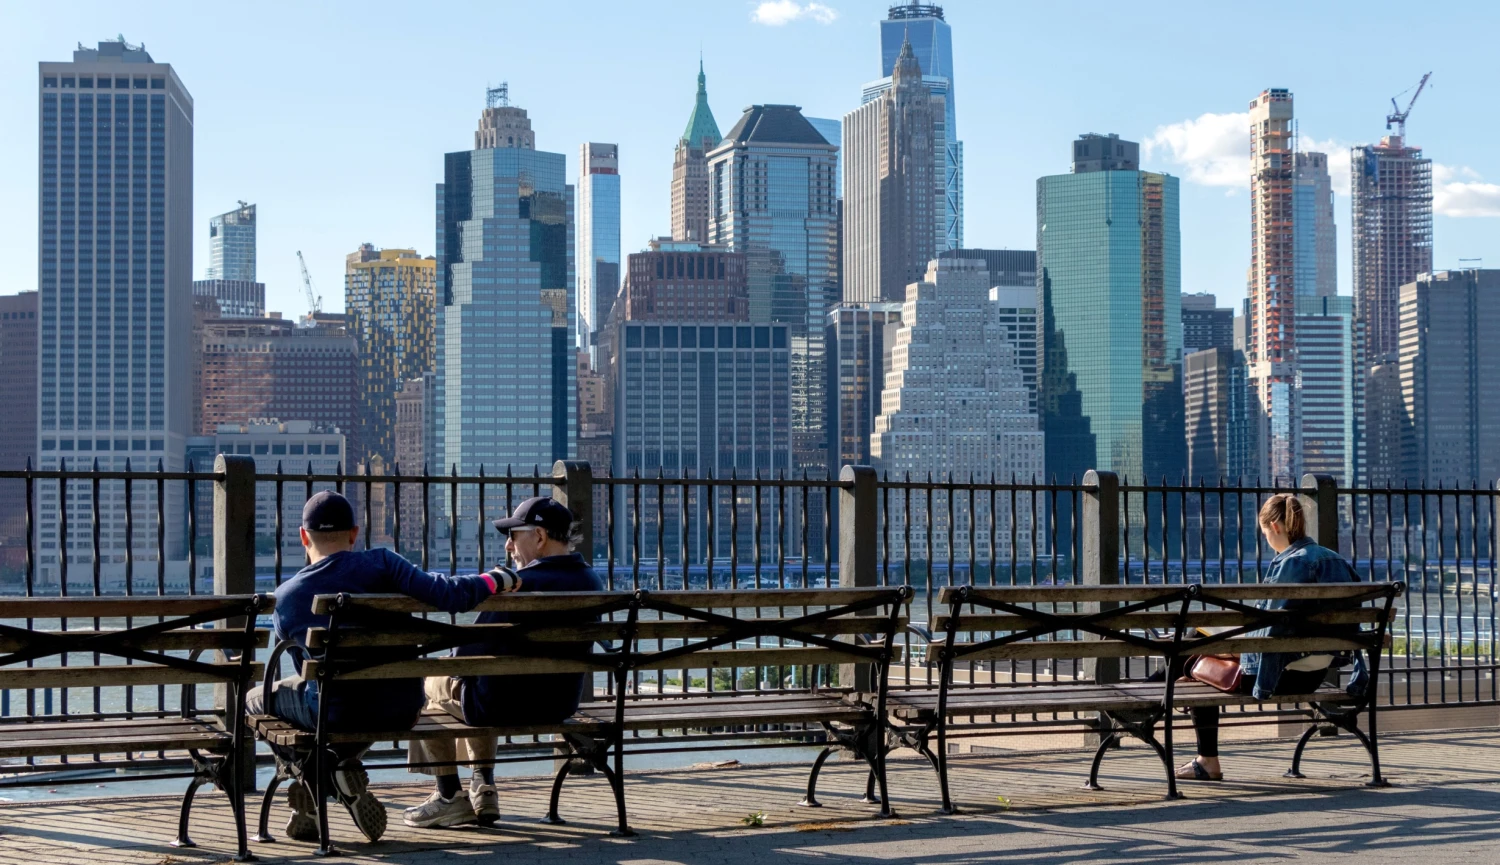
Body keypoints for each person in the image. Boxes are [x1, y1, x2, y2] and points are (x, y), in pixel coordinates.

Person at [247, 490, 509, 842]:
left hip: (337, 712)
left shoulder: (288, 596)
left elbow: (308, 674)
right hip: (402, 708)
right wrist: (497, 579)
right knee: (353, 702)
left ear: (303, 537)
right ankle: (332, 776)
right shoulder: (385, 564)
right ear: (354, 534)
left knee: (255, 700)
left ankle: (315, 778)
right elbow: (449, 594)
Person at [403, 496, 605, 829]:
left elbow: (466, 658)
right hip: (560, 704)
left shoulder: (520, 585)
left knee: (424, 682)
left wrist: (445, 663)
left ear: (539, 537)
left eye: (514, 535)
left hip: (500, 706)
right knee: (471, 683)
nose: (509, 545)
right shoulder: (591, 582)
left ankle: (450, 795)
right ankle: (482, 788)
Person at [1175, 493, 1369, 781]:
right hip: (1314, 675)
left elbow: (1271, 635)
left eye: (1264, 531)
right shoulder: (1337, 561)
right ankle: (1162, 698)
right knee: (1192, 654)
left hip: (1275, 676)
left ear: (1275, 527)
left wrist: (1231, 649)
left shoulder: (1290, 564)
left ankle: (1196, 749)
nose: (1265, 538)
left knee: (1189, 653)